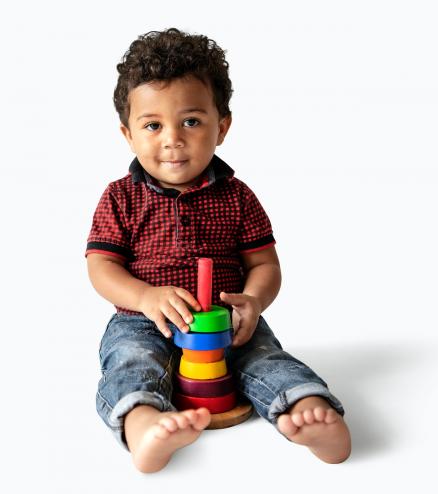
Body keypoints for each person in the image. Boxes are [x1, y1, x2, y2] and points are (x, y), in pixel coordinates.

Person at [86, 27, 351, 473]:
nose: (172, 138)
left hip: (229, 325)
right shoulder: (120, 198)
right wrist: (146, 297)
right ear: (128, 134)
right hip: (143, 323)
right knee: (131, 362)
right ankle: (144, 423)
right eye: (153, 125)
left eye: (191, 121)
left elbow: (264, 264)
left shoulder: (237, 196)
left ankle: (306, 408)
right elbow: (101, 267)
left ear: (221, 127)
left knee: (266, 360)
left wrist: (254, 301)